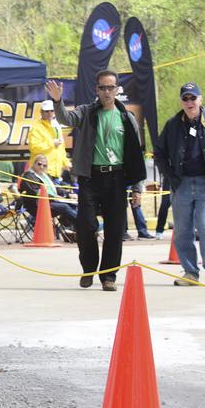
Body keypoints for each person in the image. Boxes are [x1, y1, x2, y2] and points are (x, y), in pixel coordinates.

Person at [47, 71, 145, 292]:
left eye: (111, 87)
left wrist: (137, 187)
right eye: (103, 87)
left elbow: (135, 154)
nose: (107, 92)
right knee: (86, 225)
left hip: (117, 177)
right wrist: (57, 101)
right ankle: (89, 268)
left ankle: (108, 275)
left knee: (114, 230)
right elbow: (65, 119)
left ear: (117, 90)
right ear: (97, 89)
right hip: (91, 177)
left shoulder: (126, 117)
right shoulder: (87, 112)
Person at [153, 83, 205, 286]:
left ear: (200, 99)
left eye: (193, 98)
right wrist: (169, 175)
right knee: (182, 230)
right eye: (185, 98)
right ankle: (190, 272)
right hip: (181, 184)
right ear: (181, 102)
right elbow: (159, 152)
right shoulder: (173, 124)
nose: (189, 102)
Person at [18, 154, 78, 233]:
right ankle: (83, 225)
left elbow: (55, 188)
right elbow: (36, 192)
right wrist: (54, 197)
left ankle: (70, 228)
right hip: (36, 205)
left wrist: (68, 194)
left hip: (51, 201)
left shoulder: (46, 175)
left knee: (73, 204)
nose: (41, 167)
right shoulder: (28, 176)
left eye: (44, 165)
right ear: (34, 163)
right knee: (64, 207)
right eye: (39, 164)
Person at [27, 99, 68, 180]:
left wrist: (66, 163)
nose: (50, 113)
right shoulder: (36, 127)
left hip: (56, 172)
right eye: (47, 111)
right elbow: (34, 147)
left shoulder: (56, 126)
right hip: (41, 172)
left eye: (52, 111)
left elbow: (61, 148)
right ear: (41, 112)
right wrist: (52, 143)